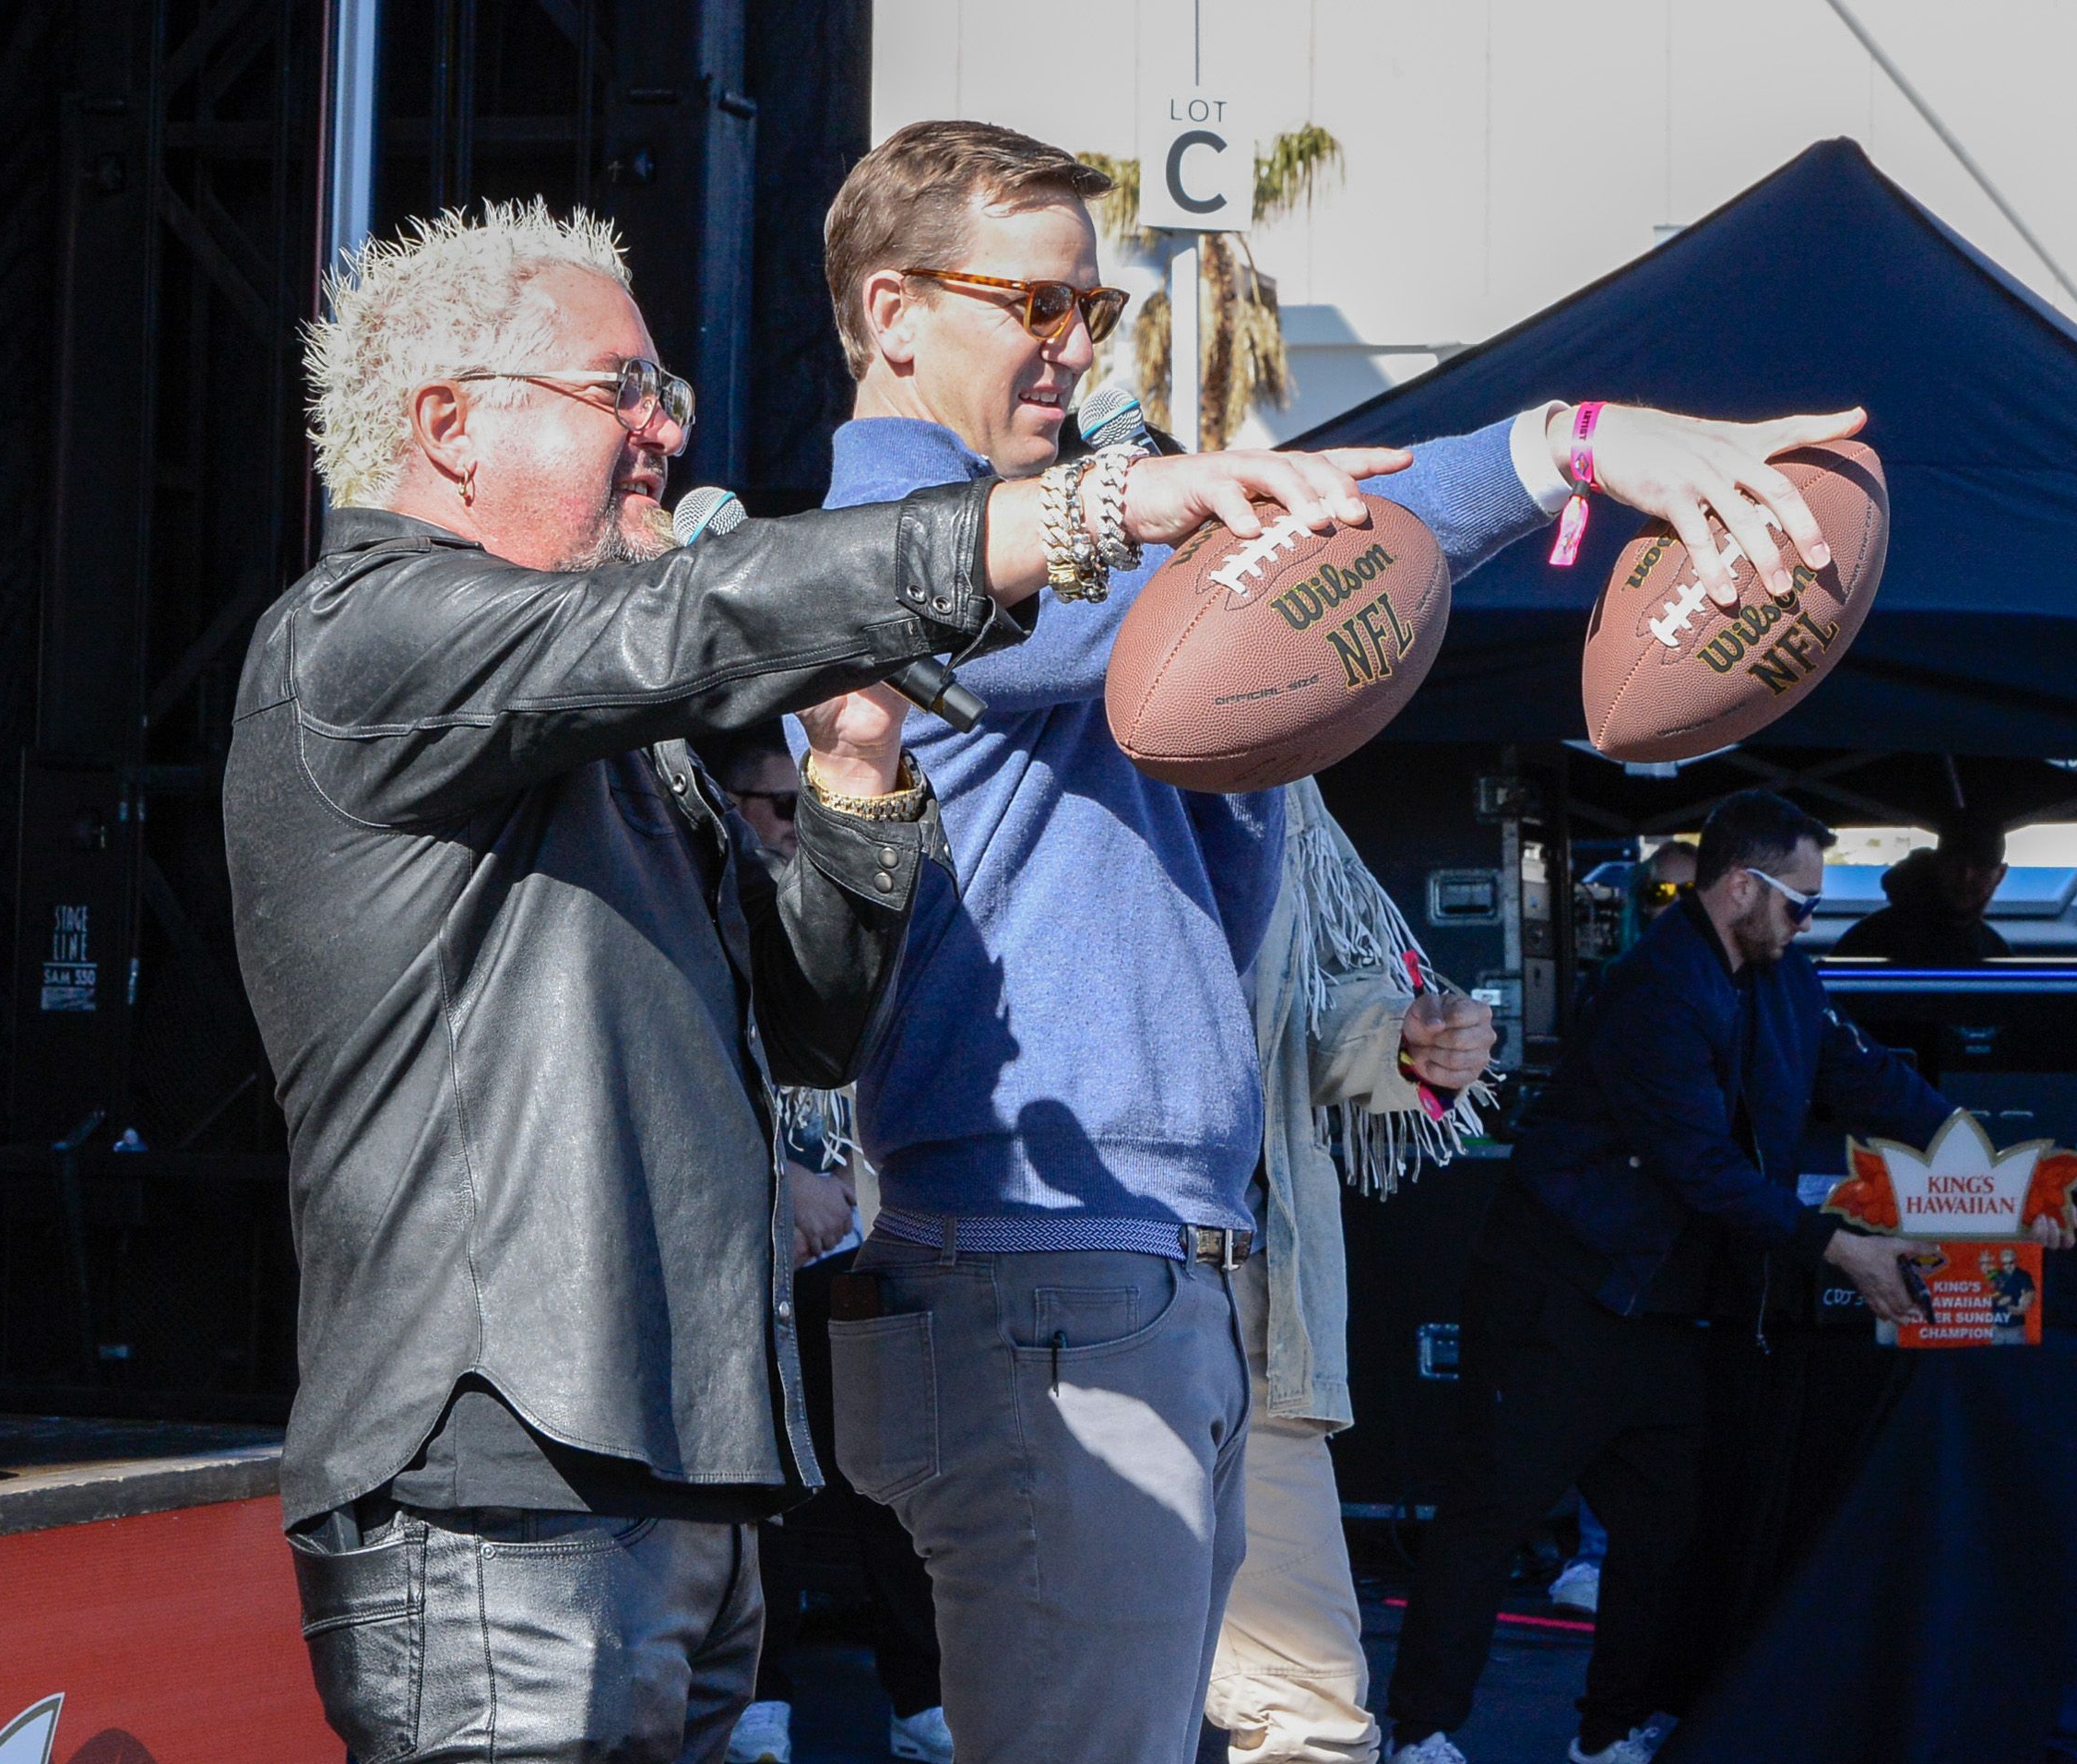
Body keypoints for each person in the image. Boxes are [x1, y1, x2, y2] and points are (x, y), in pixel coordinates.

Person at [228, 198, 1418, 1764]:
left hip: (669, 1462)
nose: (664, 428)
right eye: (621, 391)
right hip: (502, 1465)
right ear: (448, 424)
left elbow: (804, 1022)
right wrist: (1085, 511)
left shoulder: (607, 726)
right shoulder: (360, 635)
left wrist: (858, 791)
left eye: (669, 395)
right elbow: (702, 612)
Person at [810, 117, 1869, 1764]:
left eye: (1091, 312)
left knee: (1250, 1728)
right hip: (1043, 1273)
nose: (1073, 347)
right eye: (1036, 306)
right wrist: (1567, 443)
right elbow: (1324, 559)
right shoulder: (901, 543)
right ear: (891, 311)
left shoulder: (1057, 554)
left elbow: (1304, 593)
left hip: (1144, 1268)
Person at [1380, 790, 2073, 1764]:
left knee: (1665, 1529)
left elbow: (1866, 1074)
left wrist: (2004, 1162)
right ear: (1739, 886)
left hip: (1665, 1304)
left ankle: (1611, 1726)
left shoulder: (1784, 978)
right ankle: (1422, 1728)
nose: (1809, 921)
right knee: (1492, 1509)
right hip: (1567, 1293)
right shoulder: (1651, 991)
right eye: (1798, 901)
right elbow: (1700, 1163)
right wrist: (1838, 1245)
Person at [1205, 777, 1497, 1764]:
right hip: (1057, 1299)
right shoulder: (1006, 731)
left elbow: (1306, 1014)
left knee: (1313, 1721)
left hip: (1248, 1299)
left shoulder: (1273, 783)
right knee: (1090, 1700)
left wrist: (1406, 1043)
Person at [702, 725, 953, 1764]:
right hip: (751, 1259)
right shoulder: (716, 908)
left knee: (888, 1480)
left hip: (870, 1239)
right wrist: (776, 1186)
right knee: (767, 1487)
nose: (796, 833)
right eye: (776, 808)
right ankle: (761, 1690)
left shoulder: (856, 897)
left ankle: (921, 1688)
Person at [1828, 821, 2012, 965]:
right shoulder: (1994, 949)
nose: (1966, 876)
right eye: (1956, 863)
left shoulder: (1868, 936)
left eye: (1982, 866)